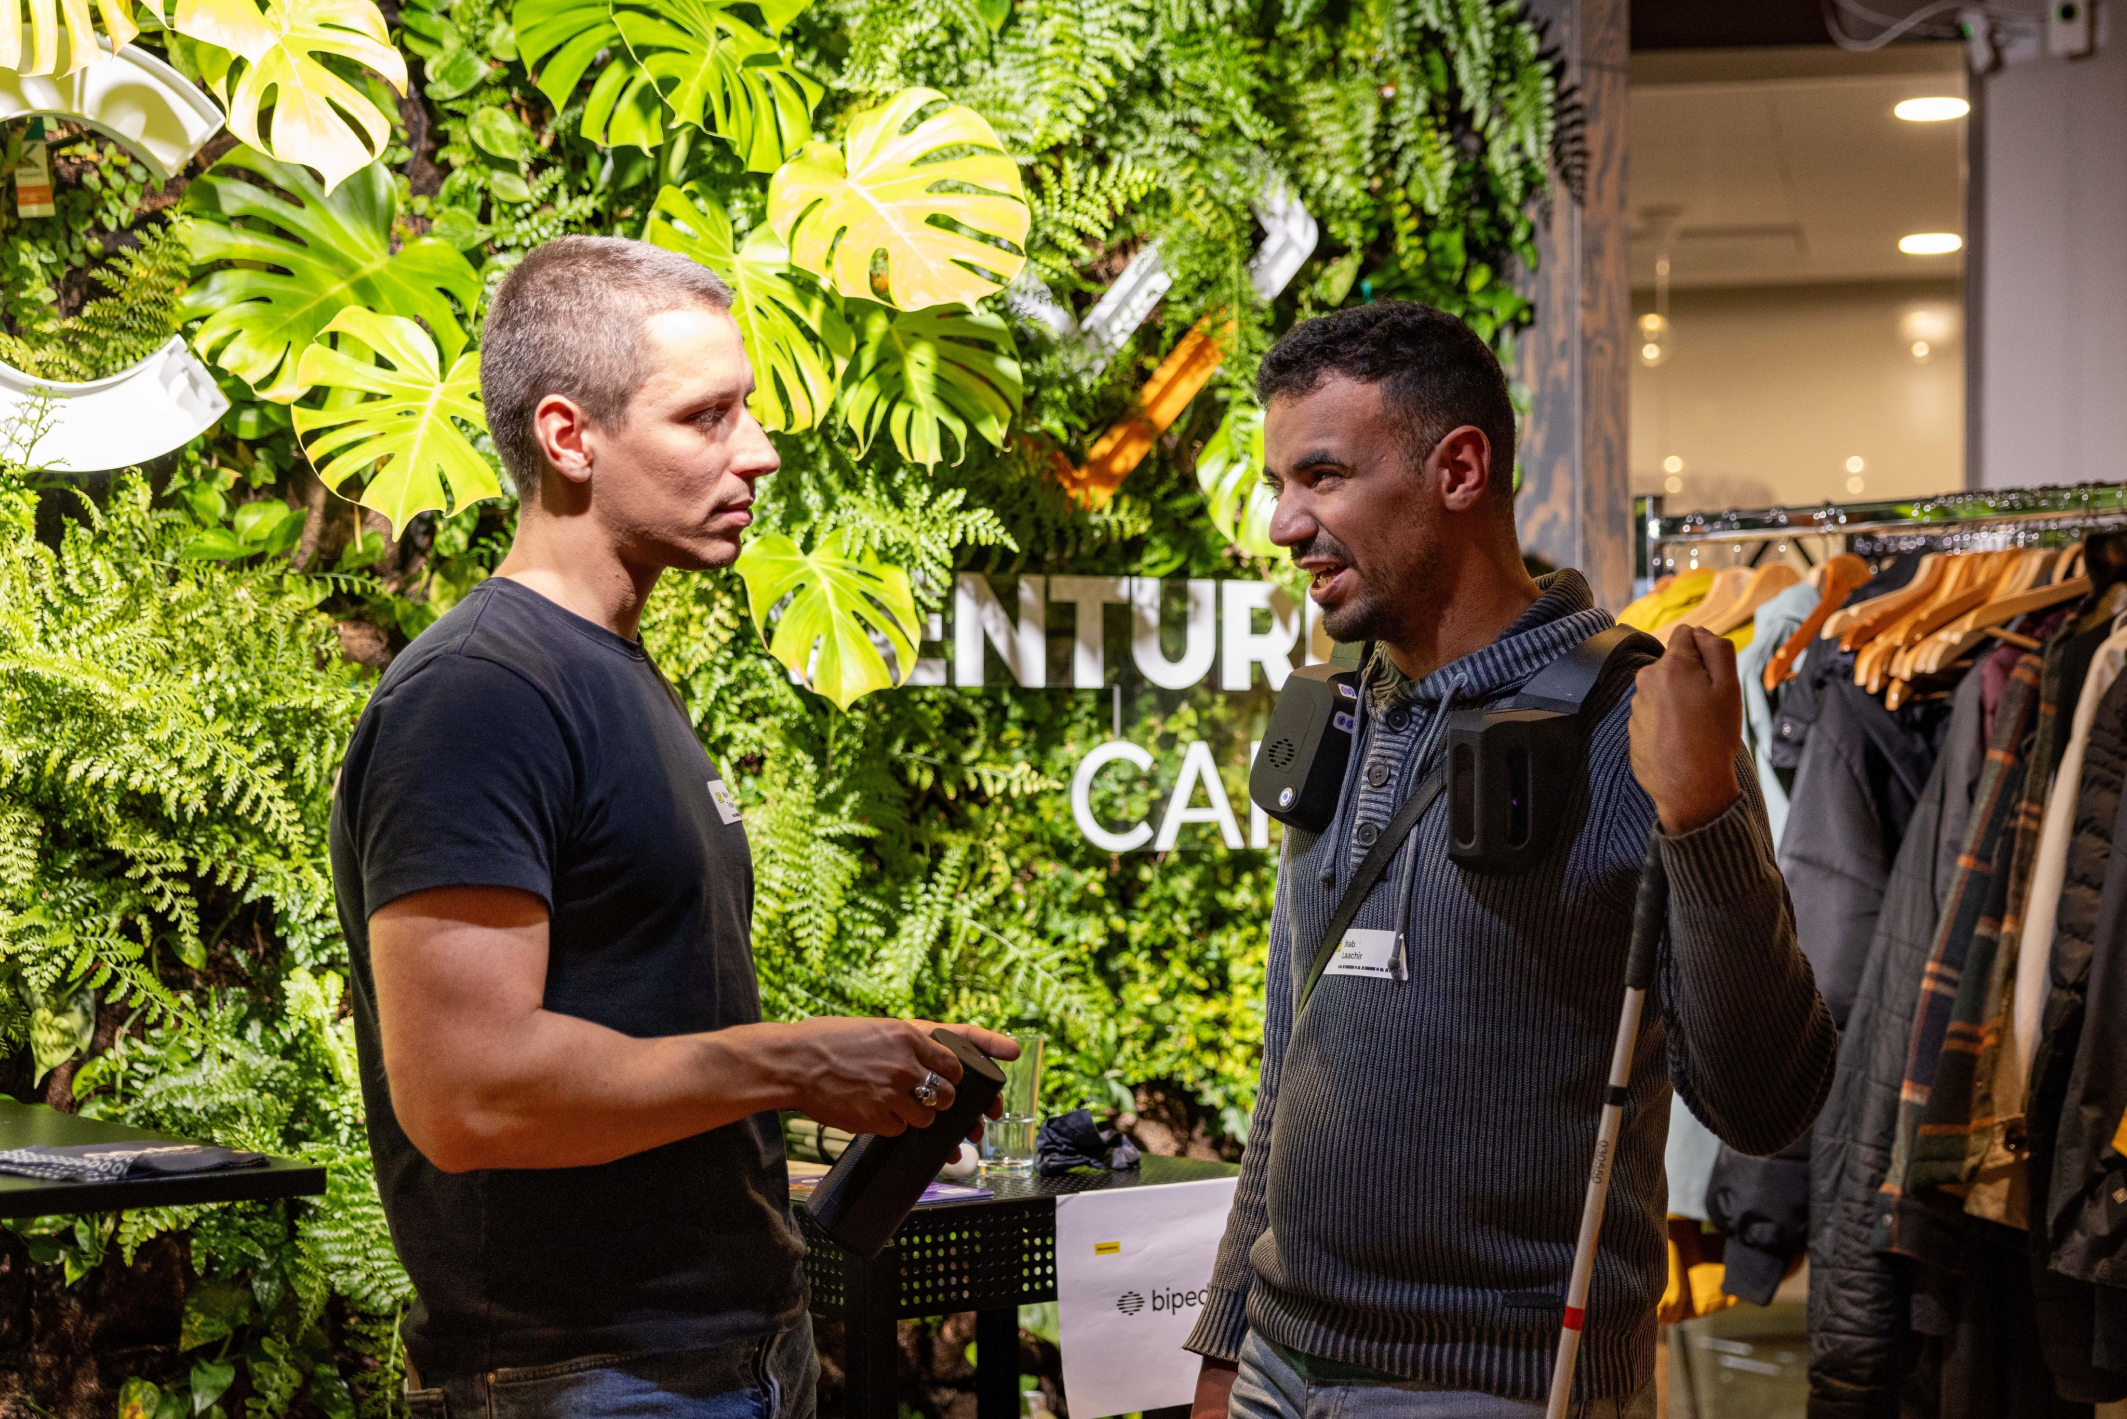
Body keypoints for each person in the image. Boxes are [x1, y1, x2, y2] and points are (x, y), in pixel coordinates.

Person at [328, 235, 1013, 1419]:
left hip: (725, 1353)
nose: (759, 450)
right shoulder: (480, 695)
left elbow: (640, 1028)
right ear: (568, 437)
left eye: (745, 410)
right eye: (705, 417)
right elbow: (465, 1094)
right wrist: (792, 1064)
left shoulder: (610, 670)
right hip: (583, 1375)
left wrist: (863, 1063)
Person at [1183, 303, 1836, 1419]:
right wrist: (1225, 1344)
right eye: (1281, 482)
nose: (1286, 523)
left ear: (1459, 469)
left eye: (1323, 476)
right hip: (1277, 1376)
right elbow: (1290, 1062)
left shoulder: (1634, 721)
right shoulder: (1338, 712)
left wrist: (1705, 815)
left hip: (1499, 1387)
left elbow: (1766, 1102)